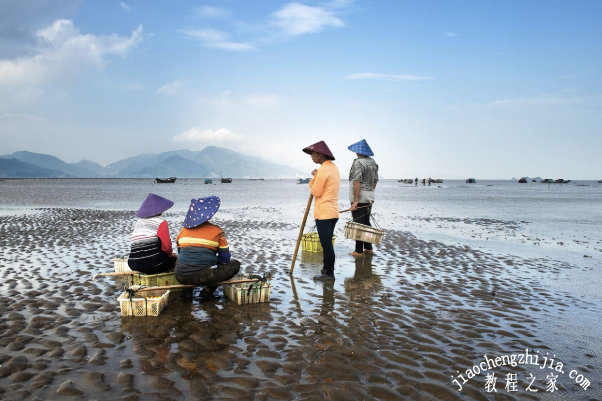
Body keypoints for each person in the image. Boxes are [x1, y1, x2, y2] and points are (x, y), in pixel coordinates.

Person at [174, 196, 240, 299]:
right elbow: (224, 259)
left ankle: (187, 290)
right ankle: (207, 291)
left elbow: (180, 252)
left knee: (181, 260)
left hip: (180, 276)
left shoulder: (183, 231)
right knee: (235, 265)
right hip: (202, 277)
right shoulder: (217, 231)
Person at [303, 140, 340, 281]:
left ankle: (329, 273)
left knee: (326, 244)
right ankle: (325, 269)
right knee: (327, 243)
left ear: (320, 154)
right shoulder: (333, 167)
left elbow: (316, 192)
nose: (312, 156)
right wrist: (317, 175)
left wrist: (312, 180)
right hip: (333, 212)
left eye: (313, 154)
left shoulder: (324, 169)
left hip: (324, 213)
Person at [128, 193, 178, 274]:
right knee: (176, 261)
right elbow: (167, 247)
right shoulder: (161, 222)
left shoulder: (139, 222)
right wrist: (171, 255)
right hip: (153, 264)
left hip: (133, 264)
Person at [347, 139, 379, 257]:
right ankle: (369, 247)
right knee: (366, 222)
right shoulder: (373, 162)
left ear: (358, 152)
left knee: (358, 224)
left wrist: (355, 201)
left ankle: (359, 250)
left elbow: (356, 181)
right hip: (370, 196)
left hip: (360, 197)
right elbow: (375, 181)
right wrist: (369, 192)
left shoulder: (358, 162)